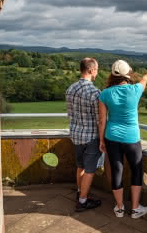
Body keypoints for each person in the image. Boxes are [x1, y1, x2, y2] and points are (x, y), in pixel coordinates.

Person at [98, 60, 147, 218]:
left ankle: (120, 208)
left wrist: (101, 140)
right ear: (127, 73)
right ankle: (135, 209)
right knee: (137, 170)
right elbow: (144, 80)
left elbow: (102, 120)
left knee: (117, 171)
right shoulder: (135, 90)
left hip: (112, 137)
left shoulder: (105, 93)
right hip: (131, 138)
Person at [66, 58, 102, 212]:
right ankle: (82, 201)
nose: (97, 72)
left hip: (76, 135)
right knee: (89, 170)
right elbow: (99, 119)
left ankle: (81, 192)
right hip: (91, 136)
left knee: (80, 166)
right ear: (91, 70)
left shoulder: (70, 89)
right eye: (96, 69)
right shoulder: (95, 93)